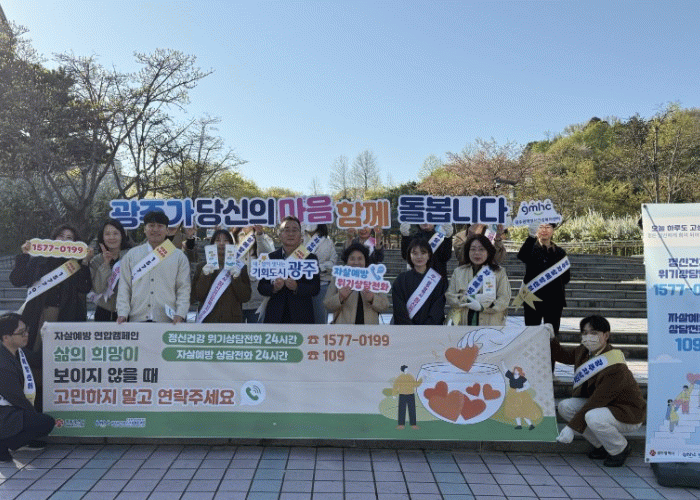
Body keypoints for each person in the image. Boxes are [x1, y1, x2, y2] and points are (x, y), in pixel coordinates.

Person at [553, 315, 646, 467]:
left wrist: (571, 427)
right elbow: (563, 356)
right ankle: (603, 445)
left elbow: (598, 400)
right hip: (604, 406)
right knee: (565, 407)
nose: (588, 337)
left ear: (606, 335)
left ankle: (620, 449)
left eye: (594, 333)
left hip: (626, 411)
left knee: (593, 417)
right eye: (584, 333)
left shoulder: (615, 365)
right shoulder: (584, 351)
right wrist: (550, 337)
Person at [10, 223, 92, 353]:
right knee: (35, 351)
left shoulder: (76, 264)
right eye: (61, 236)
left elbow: (84, 288)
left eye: (69, 238)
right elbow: (17, 280)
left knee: (59, 353)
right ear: (53, 239)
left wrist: (85, 262)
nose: (64, 240)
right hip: (38, 313)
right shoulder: (39, 260)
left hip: (66, 315)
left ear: (75, 243)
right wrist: (24, 255)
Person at [116, 210, 191, 324]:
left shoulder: (178, 256)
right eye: (151, 226)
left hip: (169, 321)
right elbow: (124, 287)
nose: (155, 229)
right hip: (137, 320)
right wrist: (122, 313)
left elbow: (183, 288)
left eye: (160, 226)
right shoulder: (131, 255)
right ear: (144, 229)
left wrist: (180, 313)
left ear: (167, 230)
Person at [0, 313, 55, 463]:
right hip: (4, 413)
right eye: (21, 332)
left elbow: (37, 360)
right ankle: (4, 443)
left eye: (26, 330)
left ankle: (18, 439)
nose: (26, 335)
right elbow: (16, 397)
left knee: (40, 413)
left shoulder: (17, 351)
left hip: (11, 408)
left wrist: (49, 338)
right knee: (44, 422)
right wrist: (34, 416)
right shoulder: (3, 364)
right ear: (6, 337)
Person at [258, 216, 320, 323]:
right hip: (275, 317)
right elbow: (261, 287)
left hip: (301, 317)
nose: (291, 234)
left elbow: (315, 288)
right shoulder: (270, 257)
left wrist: (297, 287)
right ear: (280, 235)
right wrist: (274, 288)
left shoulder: (310, 258)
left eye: (295, 230)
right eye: (286, 230)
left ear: (301, 234)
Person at [445, 235, 511, 326]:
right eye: (473, 249)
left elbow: (504, 299)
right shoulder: (459, 272)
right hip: (463, 323)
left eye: (481, 249)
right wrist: (469, 299)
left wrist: (482, 307)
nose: (477, 253)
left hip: (490, 324)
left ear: (488, 252)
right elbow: (450, 296)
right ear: (468, 251)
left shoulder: (499, 272)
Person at [517, 222, 570, 335]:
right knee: (531, 333)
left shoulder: (560, 252)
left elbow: (566, 277)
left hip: (554, 299)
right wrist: (531, 236)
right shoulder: (530, 248)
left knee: (552, 334)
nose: (544, 230)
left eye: (548, 227)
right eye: (540, 227)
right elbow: (522, 256)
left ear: (553, 230)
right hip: (532, 298)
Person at [191, 229, 251, 323]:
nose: (222, 243)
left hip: (232, 321)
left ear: (231, 244)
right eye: (218, 240)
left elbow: (245, 297)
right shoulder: (202, 267)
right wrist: (205, 276)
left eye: (226, 240)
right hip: (208, 319)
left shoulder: (240, 267)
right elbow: (197, 296)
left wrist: (237, 278)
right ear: (212, 244)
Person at [323, 242, 389, 324]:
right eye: (352, 259)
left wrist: (373, 299)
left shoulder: (375, 278)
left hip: (369, 330)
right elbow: (327, 304)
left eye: (360, 258)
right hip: (344, 329)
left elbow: (385, 305)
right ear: (347, 260)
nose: (356, 262)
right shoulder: (338, 278)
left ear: (365, 261)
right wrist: (340, 297)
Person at [391, 238, 447, 325]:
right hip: (405, 330)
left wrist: (426, 328)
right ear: (409, 255)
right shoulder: (401, 280)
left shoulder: (437, 280)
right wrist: (410, 328)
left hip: (431, 330)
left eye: (423, 253)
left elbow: (437, 309)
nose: (419, 257)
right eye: (415, 253)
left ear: (429, 255)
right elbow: (399, 308)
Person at [89, 219, 132, 321]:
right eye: (107, 234)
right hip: (103, 312)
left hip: (128, 311)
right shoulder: (96, 260)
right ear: (102, 237)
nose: (112, 237)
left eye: (115, 233)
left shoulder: (131, 256)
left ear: (122, 235)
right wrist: (105, 264)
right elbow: (98, 289)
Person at [232, 225, 275, 323]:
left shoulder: (264, 237)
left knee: (257, 331)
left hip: (257, 298)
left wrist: (259, 235)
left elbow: (269, 256)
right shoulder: (232, 237)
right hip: (236, 298)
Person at [305, 224, 337, 324]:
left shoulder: (328, 242)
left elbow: (333, 262)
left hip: (322, 284)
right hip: (301, 285)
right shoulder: (299, 238)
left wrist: (319, 268)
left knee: (320, 319)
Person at [392, 365, 422, 430]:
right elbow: (395, 385)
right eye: (406, 369)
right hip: (402, 395)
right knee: (401, 410)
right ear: (403, 370)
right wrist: (394, 394)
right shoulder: (400, 377)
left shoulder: (410, 376)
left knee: (412, 409)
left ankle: (413, 424)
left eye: (407, 369)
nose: (407, 370)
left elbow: (415, 384)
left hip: (411, 394)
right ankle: (401, 424)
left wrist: (421, 380)